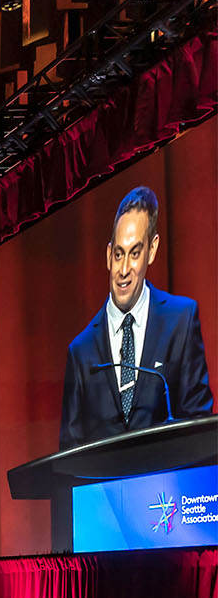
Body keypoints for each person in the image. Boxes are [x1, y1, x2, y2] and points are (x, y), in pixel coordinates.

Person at [60, 185, 213, 449]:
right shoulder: (81, 351)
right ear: (108, 255)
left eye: (135, 253)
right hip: (103, 490)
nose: (124, 270)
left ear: (152, 251)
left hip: (169, 488)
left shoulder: (181, 321)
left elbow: (198, 428)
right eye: (118, 254)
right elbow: (70, 454)